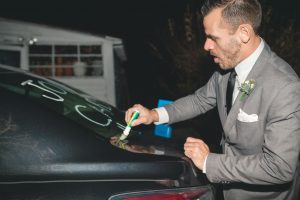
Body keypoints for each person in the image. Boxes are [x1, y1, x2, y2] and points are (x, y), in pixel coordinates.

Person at [125, 0, 300, 199]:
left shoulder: (285, 87)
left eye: (213, 38)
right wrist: (154, 115)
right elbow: (200, 100)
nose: (206, 45)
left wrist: (209, 162)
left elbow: (280, 167)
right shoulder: (226, 68)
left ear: (244, 33)